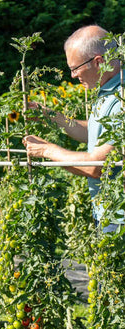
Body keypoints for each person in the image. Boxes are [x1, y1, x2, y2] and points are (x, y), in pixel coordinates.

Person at [22, 25, 123, 233]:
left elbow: (98, 166)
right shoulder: (107, 91)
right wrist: (50, 116)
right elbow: (93, 134)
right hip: (108, 212)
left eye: (75, 68)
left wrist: (47, 151)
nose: (72, 75)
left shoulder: (122, 98)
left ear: (98, 62)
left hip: (120, 217)